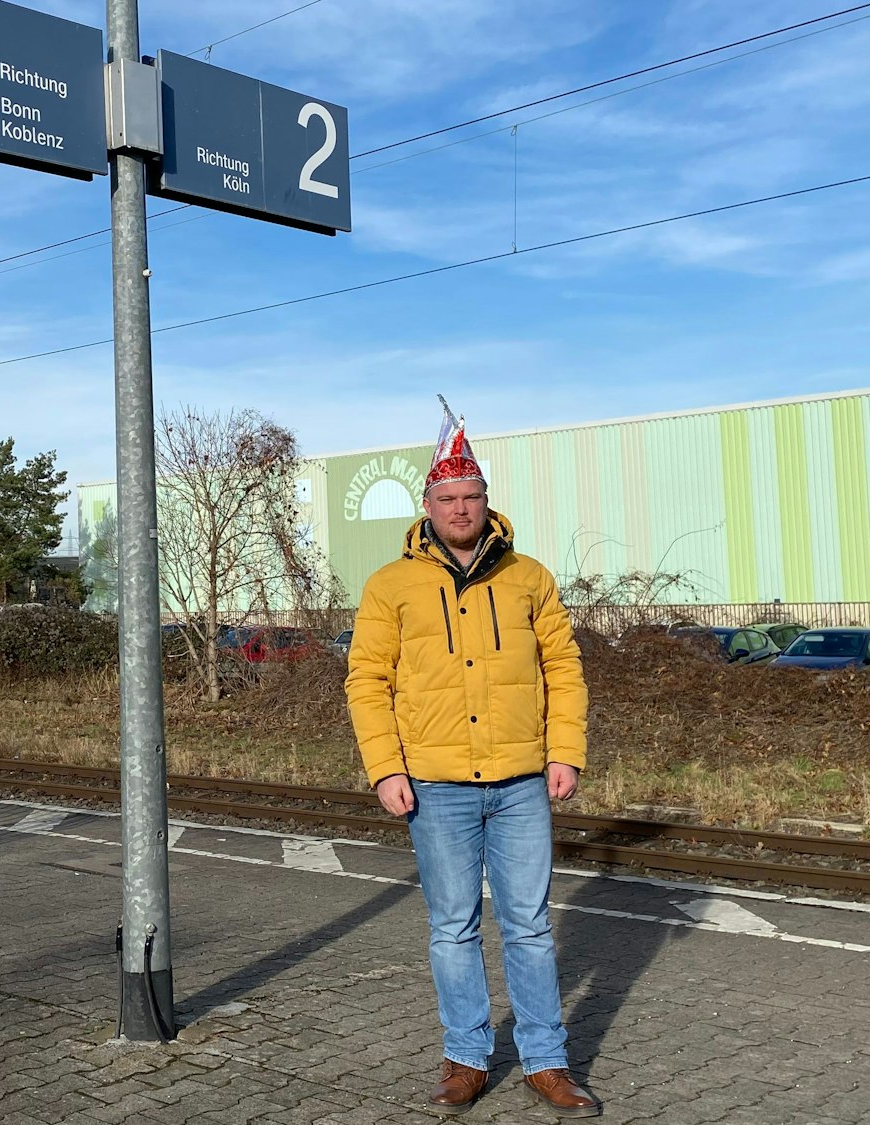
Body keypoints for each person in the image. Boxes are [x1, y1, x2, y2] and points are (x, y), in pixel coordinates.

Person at [344, 401, 598, 1118]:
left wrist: (565, 751)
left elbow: (564, 666)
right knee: (452, 927)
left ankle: (547, 1061)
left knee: (529, 925)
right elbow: (367, 680)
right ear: (428, 505)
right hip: (434, 783)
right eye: (448, 498)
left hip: (521, 780)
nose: (461, 508)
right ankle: (466, 1057)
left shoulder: (529, 577)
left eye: (472, 496)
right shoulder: (390, 586)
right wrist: (385, 768)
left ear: (488, 502)